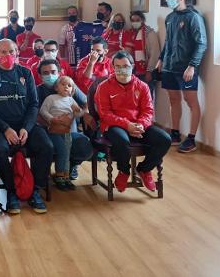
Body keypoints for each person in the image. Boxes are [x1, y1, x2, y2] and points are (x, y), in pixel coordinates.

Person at [0, 39, 49, 214]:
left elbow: (34, 104)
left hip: (25, 125)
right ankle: (11, 192)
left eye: (11, 51)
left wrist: (26, 127)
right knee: (0, 150)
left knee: (47, 146)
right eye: (3, 52)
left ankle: (35, 190)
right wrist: (5, 129)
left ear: (17, 52)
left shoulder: (26, 73)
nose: (7, 55)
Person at [96, 51, 171, 193]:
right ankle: (124, 171)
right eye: (117, 66)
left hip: (139, 125)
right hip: (115, 126)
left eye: (125, 65)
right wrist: (127, 125)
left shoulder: (142, 86)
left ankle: (144, 169)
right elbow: (105, 114)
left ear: (132, 66)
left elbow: (148, 111)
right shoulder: (104, 87)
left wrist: (141, 124)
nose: (121, 69)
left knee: (164, 139)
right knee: (121, 140)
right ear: (112, 67)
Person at [156, 0, 207, 152]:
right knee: (173, 100)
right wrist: (161, 59)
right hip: (170, 66)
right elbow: (168, 41)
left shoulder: (194, 17)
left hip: (186, 68)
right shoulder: (170, 17)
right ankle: (175, 134)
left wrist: (192, 66)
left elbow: (201, 43)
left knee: (190, 101)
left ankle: (191, 139)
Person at [35, 59, 94, 182]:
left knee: (85, 147)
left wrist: (86, 114)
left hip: (70, 132)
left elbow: (86, 103)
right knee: (52, 146)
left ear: (60, 72)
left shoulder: (69, 86)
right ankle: (50, 174)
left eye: (53, 71)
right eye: (45, 73)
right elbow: (35, 113)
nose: (50, 75)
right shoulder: (37, 91)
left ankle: (71, 167)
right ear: (40, 76)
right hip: (49, 132)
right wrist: (52, 121)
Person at [39, 76, 84, 191]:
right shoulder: (51, 98)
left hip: (67, 132)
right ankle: (59, 177)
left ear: (72, 89)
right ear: (56, 87)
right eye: (63, 84)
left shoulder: (70, 100)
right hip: (54, 131)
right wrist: (51, 119)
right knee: (62, 151)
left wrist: (79, 111)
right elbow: (43, 111)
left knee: (67, 154)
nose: (66, 87)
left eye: (69, 86)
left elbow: (78, 114)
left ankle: (66, 177)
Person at [128, 11, 161, 97]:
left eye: (137, 20)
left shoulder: (149, 33)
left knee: (147, 96)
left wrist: (149, 71)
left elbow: (155, 53)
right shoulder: (130, 33)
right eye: (133, 20)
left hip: (146, 71)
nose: (135, 22)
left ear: (142, 20)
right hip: (134, 71)